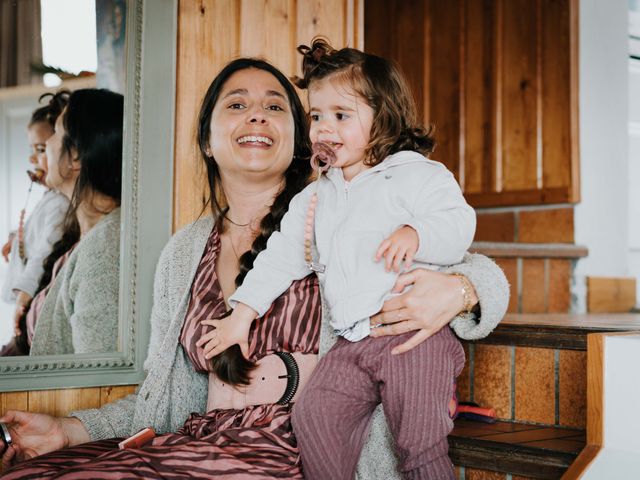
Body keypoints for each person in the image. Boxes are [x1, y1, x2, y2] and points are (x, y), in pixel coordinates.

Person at [0, 59, 508, 479]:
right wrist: (66, 431)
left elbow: (476, 264)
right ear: (207, 140)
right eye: (238, 105)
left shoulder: (341, 212)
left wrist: (460, 290)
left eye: (274, 107)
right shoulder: (184, 252)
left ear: (299, 138)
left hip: (298, 459)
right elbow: (160, 397)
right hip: (201, 445)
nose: (258, 117)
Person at [200, 39, 476, 479]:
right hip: (352, 343)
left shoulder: (416, 175)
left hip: (412, 338)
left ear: (382, 118)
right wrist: (242, 314)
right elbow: (278, 259)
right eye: (316, 116)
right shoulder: (315, 197)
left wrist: (418, 232)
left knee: (419, 444)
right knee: (314, 417)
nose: (324, 128)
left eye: (341, 116)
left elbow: (459, 225)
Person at [27, 88, 124, 355]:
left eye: (56, 131)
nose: (47, 143)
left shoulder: (105, 249)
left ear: (76, 157)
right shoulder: (82, 239)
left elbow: (94, 376)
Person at [1, 91, 70, 351]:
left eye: (41, 149)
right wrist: (16, 238)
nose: (33, 159)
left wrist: (24, 296)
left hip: (33, 296)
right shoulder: (48, 197)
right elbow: (37, 233)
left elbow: (45, 250)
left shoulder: (60, 204)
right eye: (32, 150)